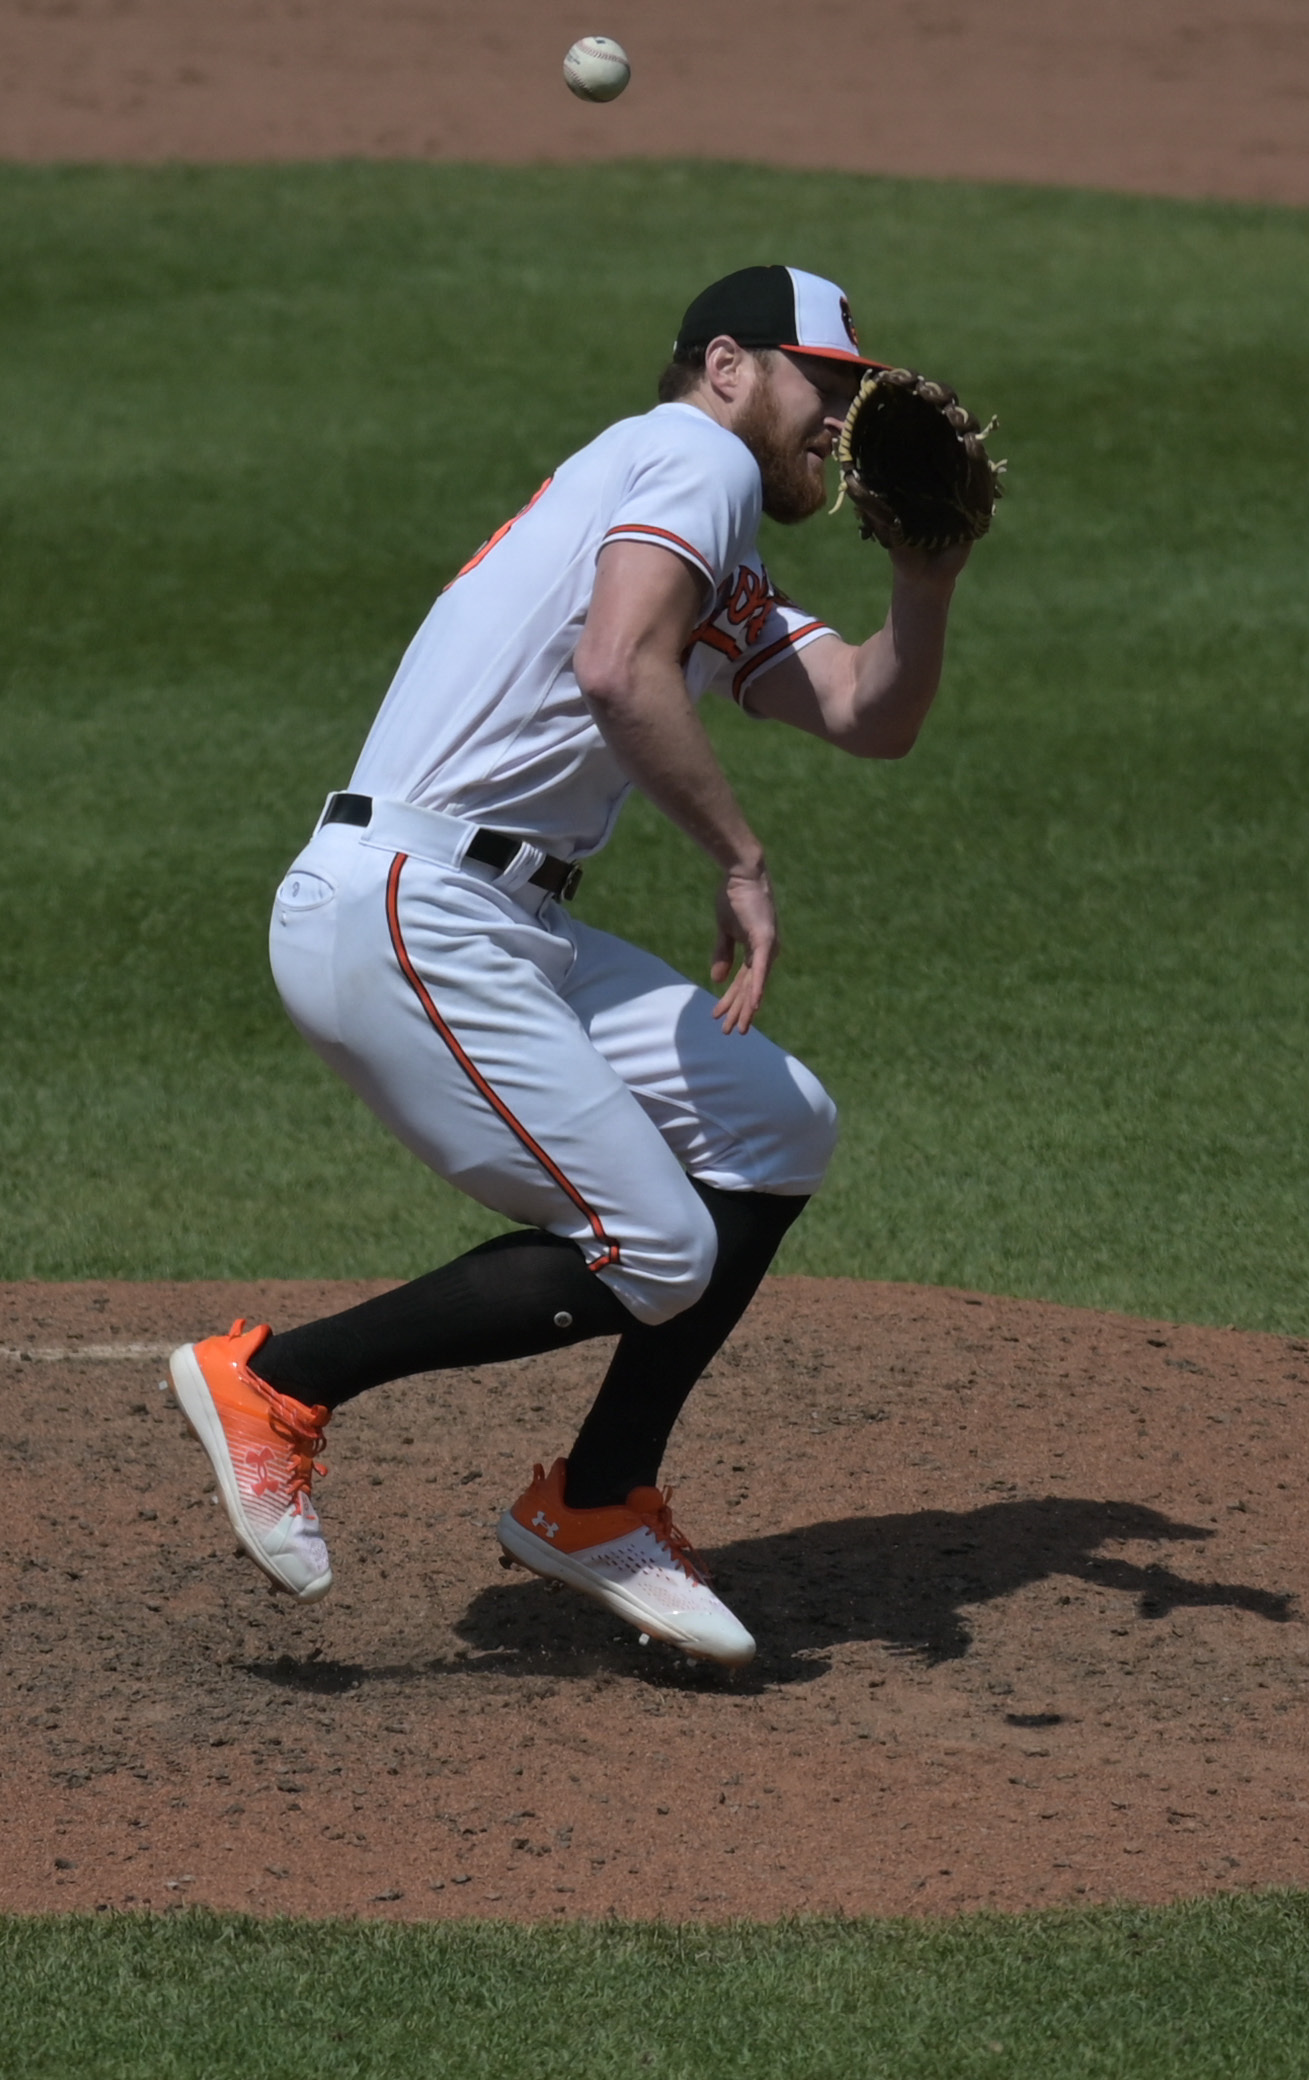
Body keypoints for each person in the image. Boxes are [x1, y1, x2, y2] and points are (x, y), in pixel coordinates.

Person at [168, 264, 973, 1666]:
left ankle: (598, 1502)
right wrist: (737, 857)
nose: (838, 422)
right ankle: (277, 1384)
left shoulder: (701, 530)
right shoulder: (683, 455)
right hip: (411, 907)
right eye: (821, 384)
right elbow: (617, 667)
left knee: (774, 1125)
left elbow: (863, 710)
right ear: (727, 366)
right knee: (658, 1245)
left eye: (850, 393)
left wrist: (925, 576)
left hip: (494, 919)